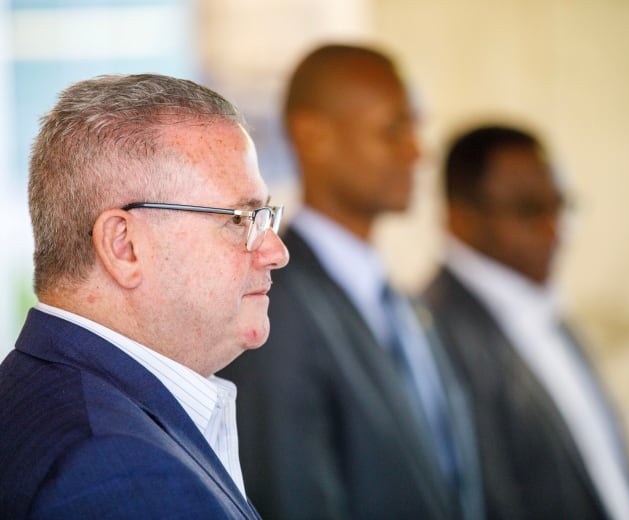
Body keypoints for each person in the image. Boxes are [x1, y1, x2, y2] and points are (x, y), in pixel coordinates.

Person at [0, 73, 289, 519]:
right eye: (240, 219)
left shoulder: (43, 398)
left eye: (266, 215)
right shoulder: (111, 471)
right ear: (124, 246)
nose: (276, 251)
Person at [218, 44, 484, 520]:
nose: (417, 151)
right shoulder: (271, 309)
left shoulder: (402, 303)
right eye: (393, 129)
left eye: (417, 126)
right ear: (312, 135)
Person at [424, 124, 629, 520]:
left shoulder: (546, 310)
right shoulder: (435, 332)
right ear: (461, 217)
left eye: (560, 206)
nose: (554, 230)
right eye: (529, 209)